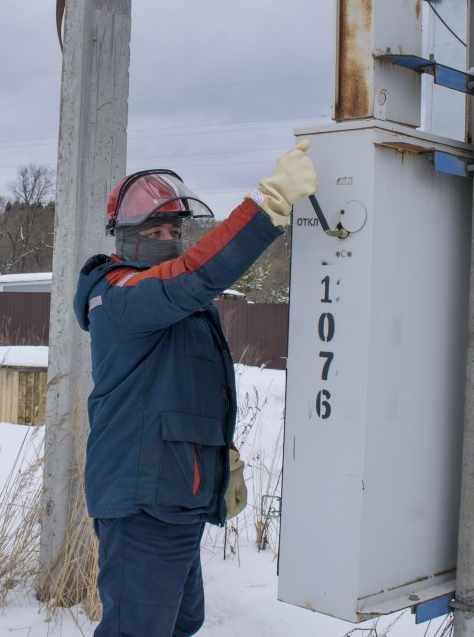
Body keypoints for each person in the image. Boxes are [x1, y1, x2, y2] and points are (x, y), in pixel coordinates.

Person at [73, 141, 318, 637]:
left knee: (184, 621)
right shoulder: (120, 294)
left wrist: (217, 456)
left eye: (173, 231)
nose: (169, 239)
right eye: (155, 231)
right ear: (124, 236)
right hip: (144, 500)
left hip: (176, 495)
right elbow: (192, 275)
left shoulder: (174, 303)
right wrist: (266, 206)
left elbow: (182, 389)